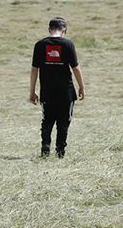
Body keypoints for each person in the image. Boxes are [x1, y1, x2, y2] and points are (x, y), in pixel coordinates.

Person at [30, 17, 84, 158]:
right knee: (63, 121)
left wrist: (32, 91)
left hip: (47, 91)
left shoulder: (40, 45)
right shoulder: (68, 44)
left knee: (47, 119)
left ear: (49, 29)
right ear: (64, 30)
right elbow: (75, 68)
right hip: (65, 91)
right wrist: (82, 87)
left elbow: (34, 69)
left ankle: (45, 146)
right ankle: (60, 150)